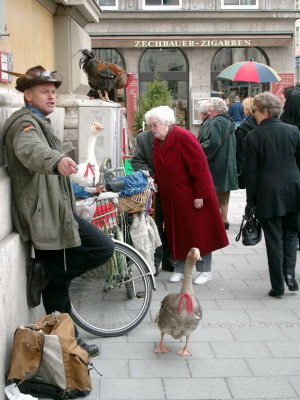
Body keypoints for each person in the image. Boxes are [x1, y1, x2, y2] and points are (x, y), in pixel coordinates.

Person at [3, 65, 115, 355]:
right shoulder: (24, 123)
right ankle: (48, 273)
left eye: (54, 92)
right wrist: (55, 160)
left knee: (59, 288)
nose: (52, 97)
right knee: (101, 248)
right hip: (45, 217)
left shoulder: (40, 120)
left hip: (55, 212)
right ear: (27, 95)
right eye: (45, 91)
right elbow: (30, 150)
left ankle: (69, 345)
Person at [146, 106, 228, 285]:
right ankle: (180, 269)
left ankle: (205, 271)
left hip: (191, 196)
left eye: (154, 125)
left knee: (199, 234)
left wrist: (200, 194)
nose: (152, 129)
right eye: (150, 125)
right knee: (178, 233)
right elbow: (161, 166)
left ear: (167, 123)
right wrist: (155, 180)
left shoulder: (184, 137)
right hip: (172, 197)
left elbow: (200, 167)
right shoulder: (158, 140)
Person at [245, 92, 300, 297]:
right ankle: (290, 277)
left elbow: (252, 173)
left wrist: (251, 202)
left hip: (268, 192)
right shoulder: (293, 131)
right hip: (294, 188)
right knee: (291, 235)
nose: (254, 115)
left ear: (264, 111)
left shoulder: (254, 136)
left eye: (255, 111)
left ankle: (278, 285)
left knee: (274, 239)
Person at [131, 129, 175, 276]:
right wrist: (152, 175)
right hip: (153, 189)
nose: (154, 127)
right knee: (154, 224)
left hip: (172, 189)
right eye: (152, 124)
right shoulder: (143, 138)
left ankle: (170, 260)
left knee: (171, 224)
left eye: (157, 124)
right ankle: (155, 262)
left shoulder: (174, 137)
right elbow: (136, 161)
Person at [199, 97, 238, 230]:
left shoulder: (216, 122)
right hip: (227, 160)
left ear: (214, 109)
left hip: (217, 161)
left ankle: (215, 219)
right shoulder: (227, 121)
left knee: (215, 189)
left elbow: (213, 142)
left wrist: (199, 149)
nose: (208, 111)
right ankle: (224, 219)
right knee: (224, 191)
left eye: (210, 108)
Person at [235, 97, 258, 189]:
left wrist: (238, 168)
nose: (243, 110)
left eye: (244, 108)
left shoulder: (244, 126)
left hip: (248, 164)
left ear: (248, 109)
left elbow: (241, 148)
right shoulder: (261, 122)